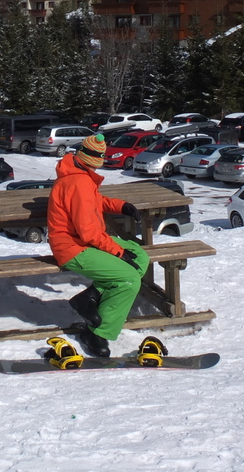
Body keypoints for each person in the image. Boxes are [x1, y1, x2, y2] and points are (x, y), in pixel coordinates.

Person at [46, 133, 148, 358]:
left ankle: (90, 296)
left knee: (140, 257)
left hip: (85, 241)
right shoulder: (78, 181)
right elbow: (88, 231)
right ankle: (96, 333)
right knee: (128, 279)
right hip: (73, 248)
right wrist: (119, 253)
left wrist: (120, 206)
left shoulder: (79, 174)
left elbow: (94, 201)